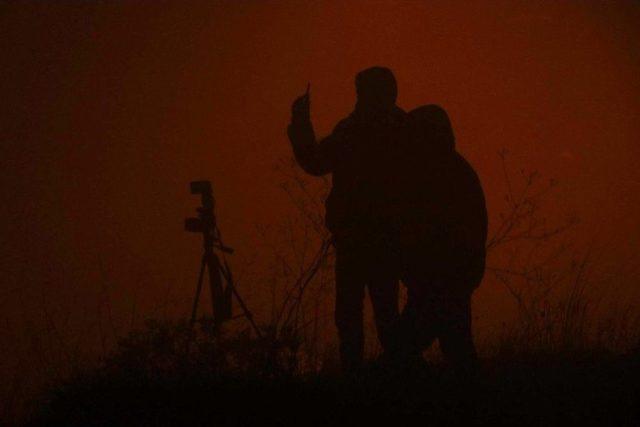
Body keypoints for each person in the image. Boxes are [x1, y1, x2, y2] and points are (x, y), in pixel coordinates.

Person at [287, 67, 409, 372]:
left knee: (358, 316)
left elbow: (315, 162)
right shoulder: (401, 130)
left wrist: (301, 125)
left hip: (364, 238)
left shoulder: (356, 131)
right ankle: (392, 379)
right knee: (378, 315)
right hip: (379, 238)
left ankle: (362, 381)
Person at [396, 104, 487, 371]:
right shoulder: (454, 170)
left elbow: (434, 232)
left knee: (409, 347)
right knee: (455, 345)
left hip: (441, 280)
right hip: (447, 278)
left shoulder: (441, 174)